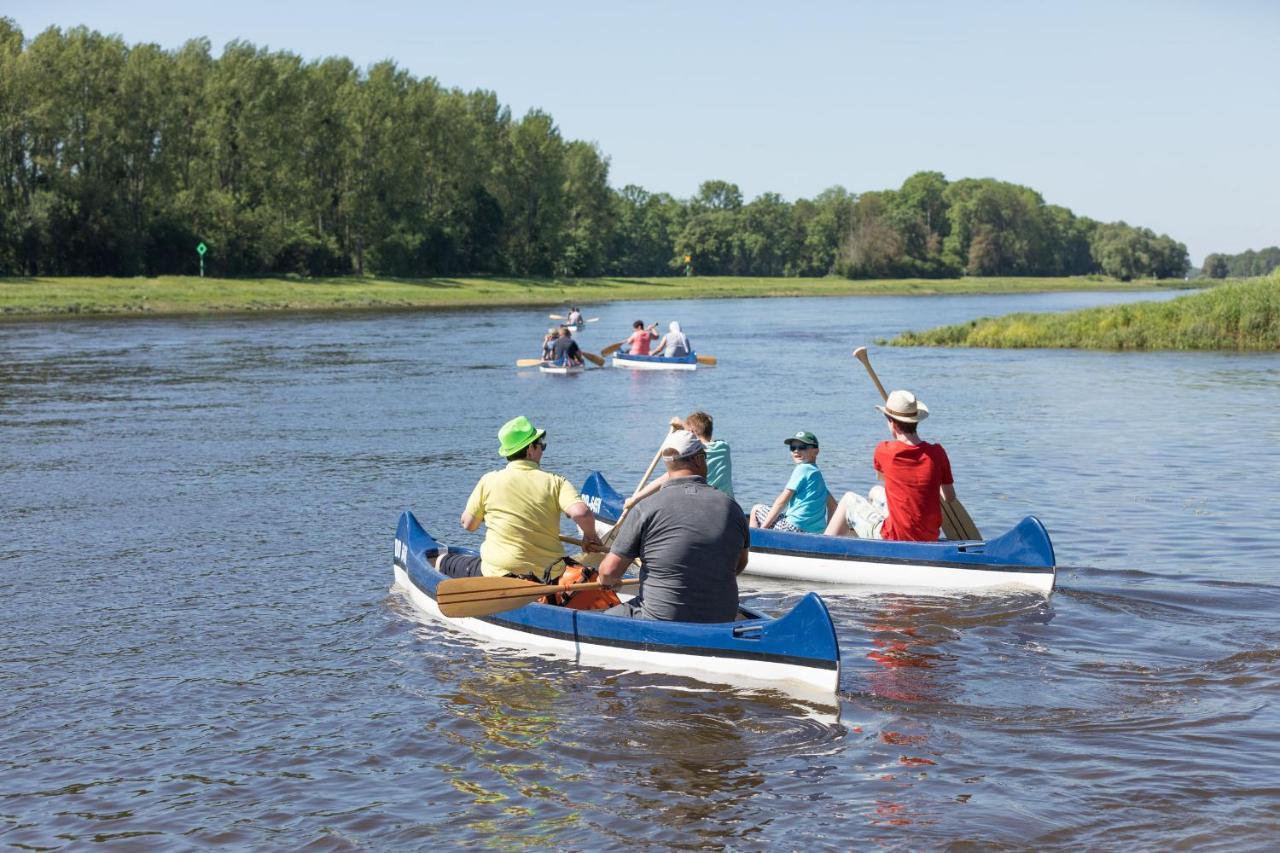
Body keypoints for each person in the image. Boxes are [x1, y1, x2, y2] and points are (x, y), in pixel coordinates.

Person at [597, 430, 749, 622]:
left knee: (604, 617)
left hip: (661, 618)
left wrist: (609, 582)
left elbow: (608, 571)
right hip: (722, 616)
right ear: (699, 460)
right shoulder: (732, 508)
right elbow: (739, 564)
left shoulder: (645, 508)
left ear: (668, 464)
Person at [435, 415, 602, 579]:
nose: (543, 449)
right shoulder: (556, 482)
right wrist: (590, 536)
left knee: (443, 560)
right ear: (530, 450)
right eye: (541, 445)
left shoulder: (489, 480)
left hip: (499, 573)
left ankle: (438, 566)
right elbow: (581, 513)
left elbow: (468, 524)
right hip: (549, 574)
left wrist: (485, 515)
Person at [825, 390, 956, 541]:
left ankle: (822, 547)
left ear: (892, 423)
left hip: (894, 537)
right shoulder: (938, 453)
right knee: (875, 491)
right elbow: (950, 497)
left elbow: (884, 478)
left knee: (849, 500)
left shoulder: (884, 450)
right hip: (929, 536)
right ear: (916, 421)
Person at [626, 411, 734, 506]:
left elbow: (662, 480)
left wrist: (634, 499)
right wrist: (683, 425)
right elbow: (703, 437)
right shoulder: (724, 447)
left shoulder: (695, 455)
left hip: (705, 507)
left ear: (691, 433)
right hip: (729, 505)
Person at [750, 430, 838, 534]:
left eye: (802, 447)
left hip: (792, 528)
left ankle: (753, 544)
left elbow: (782, 501)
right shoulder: (817, 477)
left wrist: (763, 528)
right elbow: (834, 506)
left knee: (756, 509)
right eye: (793, 448)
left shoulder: (802, 468)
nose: (796, 451)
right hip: (814, 533)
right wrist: (827, 533)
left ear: (816, 451)